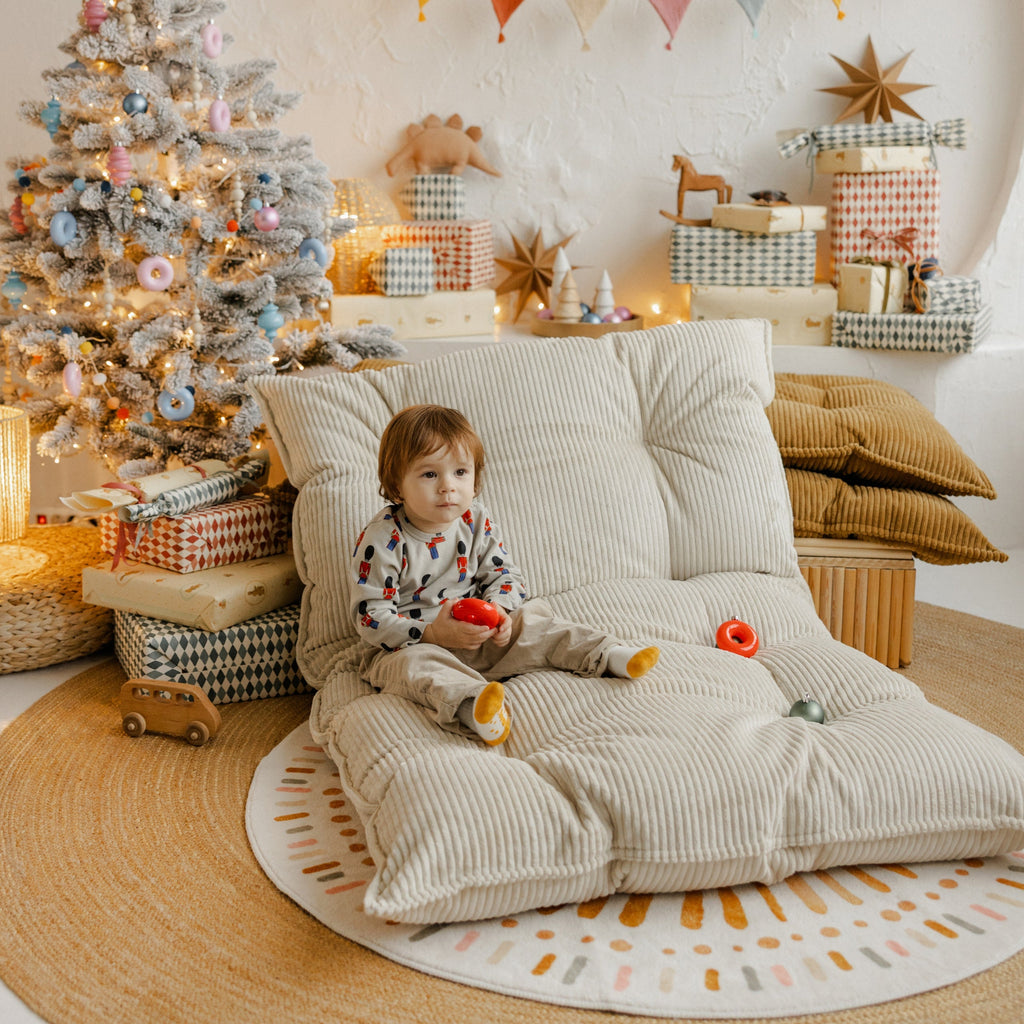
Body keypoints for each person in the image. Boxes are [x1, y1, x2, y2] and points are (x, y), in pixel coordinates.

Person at [351, 404, 660, 746]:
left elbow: (506, 575)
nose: (447, 487)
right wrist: (432, 634)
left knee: (536, 621)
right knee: (417, 669)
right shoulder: (383, 539)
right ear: (396, 485)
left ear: (475, 479)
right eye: (429, 475)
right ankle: (474, 707)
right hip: (408, 645)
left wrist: (499, 610)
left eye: (460, 472)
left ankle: (608, 654)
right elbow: (370, 617)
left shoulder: (474, 521)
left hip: (479, 638)